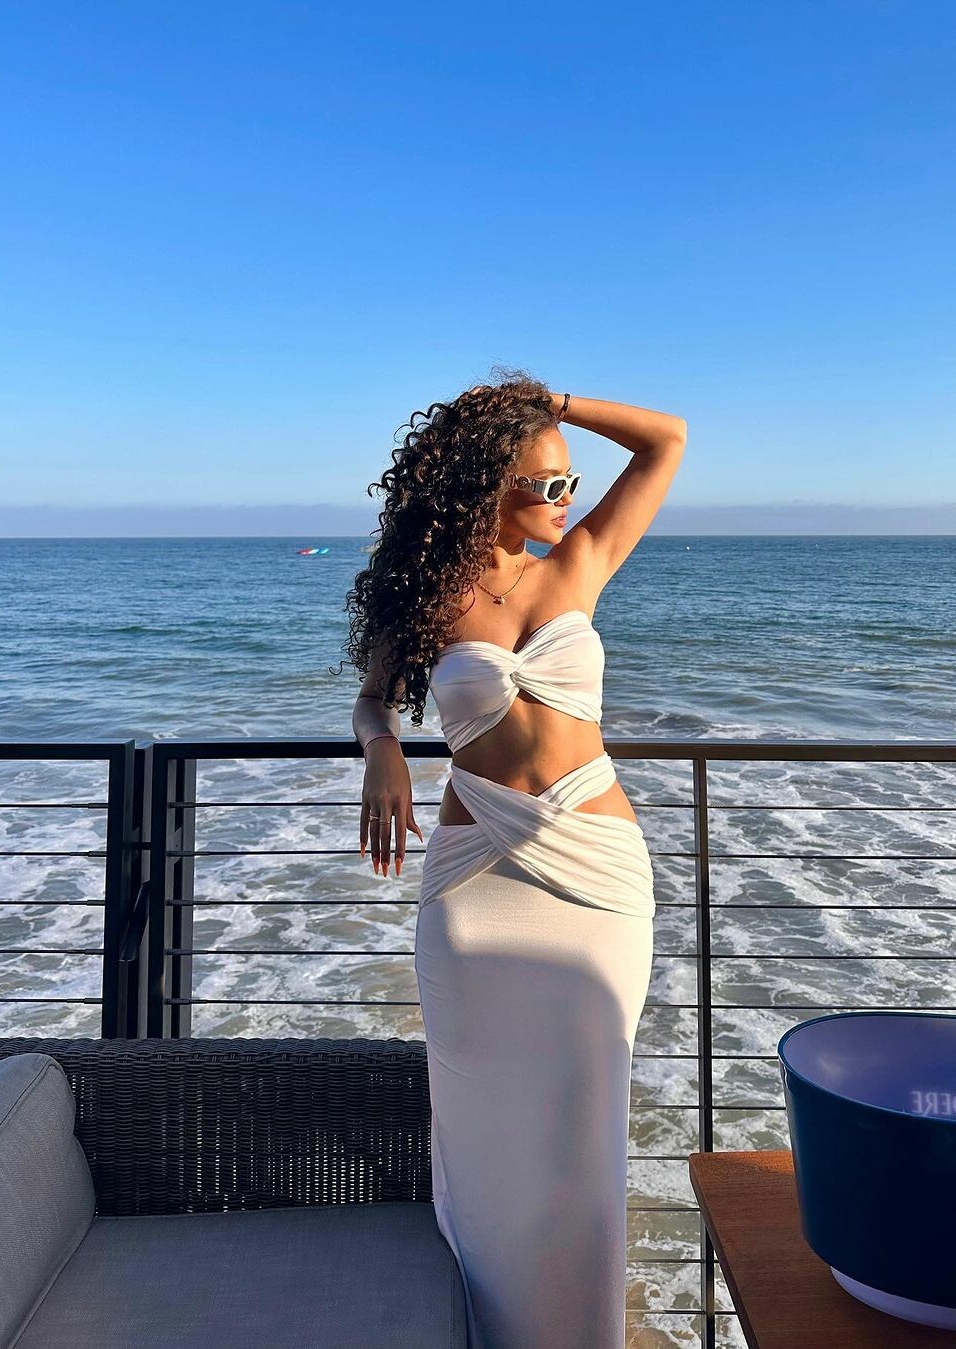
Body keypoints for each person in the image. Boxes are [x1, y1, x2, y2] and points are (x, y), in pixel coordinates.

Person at [344, 368, 686, 1348]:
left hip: (598, 876)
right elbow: (372, 699)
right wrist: (381, 747)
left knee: (586, 1126)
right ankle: (486, 1324)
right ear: (488, 482)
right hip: (475, 878)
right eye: (548, 481)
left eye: (571, 480)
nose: (567, 497)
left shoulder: (580, 562)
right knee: (482, 1123)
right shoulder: (427, 596)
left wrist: (546, 406)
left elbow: (666, 439)